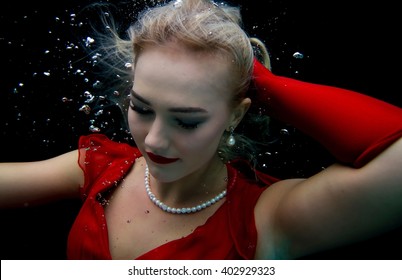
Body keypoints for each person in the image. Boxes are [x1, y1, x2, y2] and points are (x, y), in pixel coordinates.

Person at [1, 0, 402, 260]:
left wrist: (264, 84)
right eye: (141, 108)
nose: (154, 140)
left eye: (187, 120)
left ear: (235, 115)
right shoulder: (97, 168)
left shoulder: (267, 218)